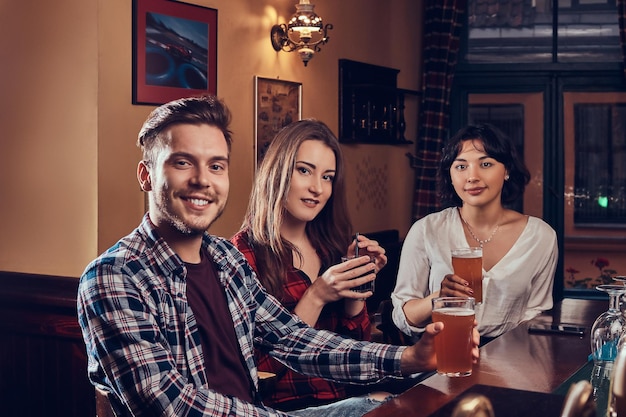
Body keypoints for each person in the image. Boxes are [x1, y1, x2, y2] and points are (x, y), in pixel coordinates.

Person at [77, 95, 480, 417]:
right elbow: (171, 405)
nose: (202, 180)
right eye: (182, 163)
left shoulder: (223, 260)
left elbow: (297, 341)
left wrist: (409, 357)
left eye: (216, 166)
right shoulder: (114, 276)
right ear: (147, 175)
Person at [231, 119, 389, 412]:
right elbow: (253, 373)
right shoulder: (240, 256)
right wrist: (316, 296)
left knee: (436, 385)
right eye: (304, 171)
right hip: (286, 407)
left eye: (328, 177)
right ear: (277, 173)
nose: (317, 188)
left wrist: (356, 288)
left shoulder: (333, 246)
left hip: (346, 397)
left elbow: (355, 353)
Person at [391, 123, 558, 343]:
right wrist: (439, 297)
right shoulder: (427, 230)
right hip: (442, 354)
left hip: (512, 360)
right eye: (461, 167)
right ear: (449, 175)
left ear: (506, 169)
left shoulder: (540, 237)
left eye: (486, 164)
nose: (472, 177)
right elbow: (403, 317)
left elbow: (537, 317)